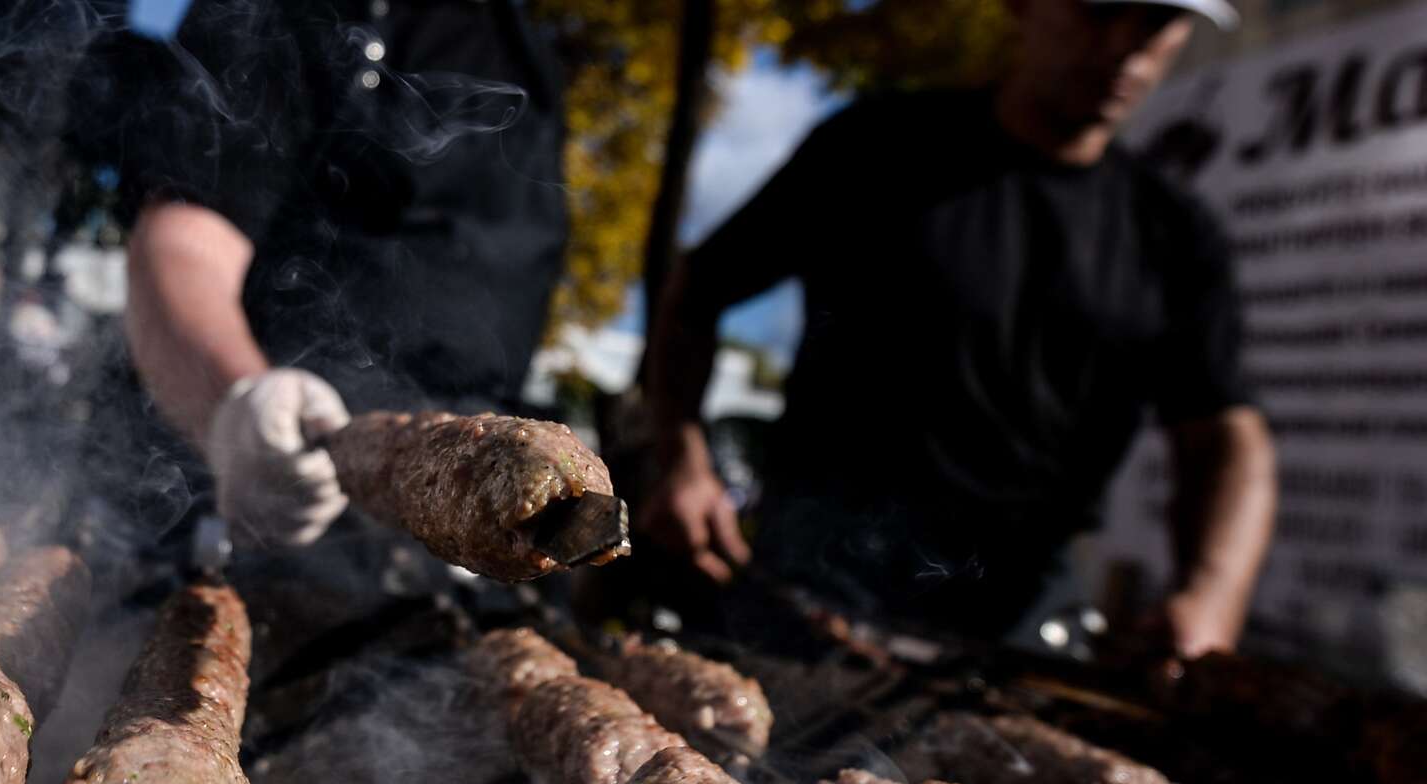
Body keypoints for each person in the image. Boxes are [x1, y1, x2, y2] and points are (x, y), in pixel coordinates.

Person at [636, 0, 1275, 657]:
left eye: (1154, 24)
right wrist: (681, 454)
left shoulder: (1173, 233)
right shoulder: (876, 146)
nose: (1127, 49)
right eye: (1100, 11)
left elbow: (1226, 431)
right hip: (813, 580)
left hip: (1020, 619)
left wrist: (1213, 594)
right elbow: (699, 289)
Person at [84, 0, 569, 548]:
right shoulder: (297, 15)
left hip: (449, 538)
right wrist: (239, 407)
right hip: (252, 504)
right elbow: (180, 242)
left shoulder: (527, 51)